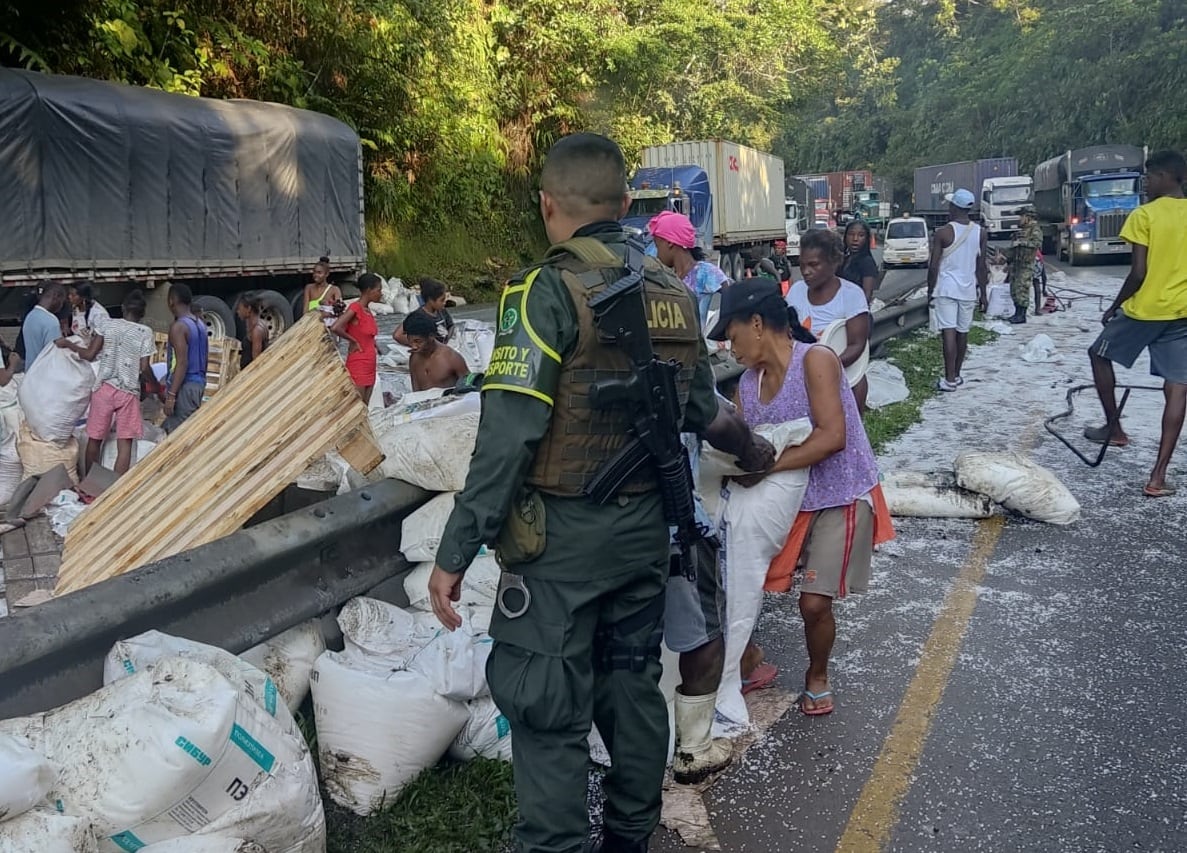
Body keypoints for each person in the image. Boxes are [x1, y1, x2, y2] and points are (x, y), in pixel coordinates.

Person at [425, 133, 773, 853]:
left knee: (546, 701)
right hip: (644, 537)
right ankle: (627, 837)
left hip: (559, 545)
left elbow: (507, 434)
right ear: (625, 206)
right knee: (631, 685)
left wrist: (455, 550)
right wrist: (755, 448)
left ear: (547, 204)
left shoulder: (542, 291)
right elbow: (704, 412)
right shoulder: (674, 294)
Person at [707, 278, 893, 716]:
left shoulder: (817, 361)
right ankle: (750, 662)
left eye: (731, 337)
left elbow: (832, 437)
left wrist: (762, 466)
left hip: (837, 494)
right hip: (784, 502)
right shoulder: (748, 386)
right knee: (733, 585)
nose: (730, 349)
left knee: (812, 603)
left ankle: (818, 674)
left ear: (756, 324)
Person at [1085, 149, 1187, 498]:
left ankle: (1114, 429)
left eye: (1149, 176)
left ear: (1165, 177)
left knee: (1098, 353)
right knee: (1177, 387)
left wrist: (1114, 306)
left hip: (1144, 311)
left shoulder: (1144, 215)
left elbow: (1139, 274)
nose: (1146, 183)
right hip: (1181, 314)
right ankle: (1157, 477)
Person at [57, 290, 155, 477]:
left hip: (104, 388)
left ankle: (89, 483)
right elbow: (144, 367)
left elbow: (89, 354)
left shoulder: (107, 325)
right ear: (142, 313)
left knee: (95, 439)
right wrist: (156, 386)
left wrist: (68, 344)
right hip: (128, 393)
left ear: (123, 308)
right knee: (124, 443)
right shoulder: (145, 332)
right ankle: (114, 490)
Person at [786, 229, 872, 412]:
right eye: (802, 265)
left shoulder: (851, 295)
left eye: (814, 265)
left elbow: (857, 345)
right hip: (802, 378)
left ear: (833, 263)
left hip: (844, 379)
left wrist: (825, 369)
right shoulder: (796, 291)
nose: (806, 272)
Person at [927, 188, 988, 392]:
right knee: (963, 333)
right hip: (969, 290)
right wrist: (984, 295)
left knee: (948, 333)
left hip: (946, 288)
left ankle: (949, 379)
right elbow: (981, 266)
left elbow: (934, 266)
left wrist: (930, 290)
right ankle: (958, 375)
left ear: (954, 207)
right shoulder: (980, 232)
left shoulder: (943, 232)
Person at [649, 210, 729, 328]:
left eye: (657, 246)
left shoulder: (706, 273)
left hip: (698, 345)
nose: (656, 254)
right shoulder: (667, 276)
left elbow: (732, 301)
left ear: (670, 243)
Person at [162, 283, 210, 434]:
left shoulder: (179, 327)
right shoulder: (200, 325)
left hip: (185, 386)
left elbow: (182, 362)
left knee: (179, 434)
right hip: (198, 383)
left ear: (171, 301)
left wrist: (171, 395)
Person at [331, 273, 383, 404]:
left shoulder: (368, 310)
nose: (380, 293)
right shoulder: (356, 308)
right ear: (369, 291)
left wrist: (375, 346)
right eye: (378, 290)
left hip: (370, 364)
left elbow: (365, 334)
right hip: (358, 363)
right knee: (356, 405)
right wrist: (353, 341)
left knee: (365, 406)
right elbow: (336, 327)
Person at [404, 308, 469, 392]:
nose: (413, 346)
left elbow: (470, 387)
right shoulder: (414, 358)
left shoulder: (451, 358)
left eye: (418, 341)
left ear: (431, 336)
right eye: (410, 341)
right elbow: (416, 391)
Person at [1007, 207, 1044, 323]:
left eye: (1022, 217)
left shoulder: (1035, 230)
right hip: (1016, 263)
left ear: (1028, 217)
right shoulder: (1022, 230)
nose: (1020, 219)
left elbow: (1037, 243)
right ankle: (1016, 312)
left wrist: (1022, 242)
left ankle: (1021, 315)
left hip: (1026, 264)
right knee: (1014, 288)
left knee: (1022, 288)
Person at [394, 277, 455, 346]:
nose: (444, 303)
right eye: (442, 300)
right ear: (430, 300)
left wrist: (447, 339)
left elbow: (451, 326)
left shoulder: (442, 311)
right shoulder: (417, 316)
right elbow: (397, 335)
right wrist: (421, 345)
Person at [19, 281, 66, 370]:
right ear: (55, 296)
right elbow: (54, 354)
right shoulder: (51, 321)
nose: (61, 306)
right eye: (62, 301)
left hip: (30, 372)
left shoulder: (30, 316)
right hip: (45, 375)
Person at [839, 220, 880, 304]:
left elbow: (866, 294)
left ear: (867, 239)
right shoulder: (844, 259)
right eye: (851, 234)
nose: (855, 239)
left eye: (861, 235)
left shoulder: (867, 261)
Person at [303, 257, 342, 326]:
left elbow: (339, 311)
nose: (315, 275)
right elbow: (305, 311)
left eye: (319, 273)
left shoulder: (334, 289)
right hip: (311, 324)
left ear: (326, 274)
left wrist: (326, 314)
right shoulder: (309, 288)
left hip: (326, 326)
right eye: (314, 272)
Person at [236, 292, 269, 369]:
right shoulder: (254, 326)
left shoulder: (257, 331)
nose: (238, 312)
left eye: (240, 309)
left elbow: (256, 363)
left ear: (249, 309)